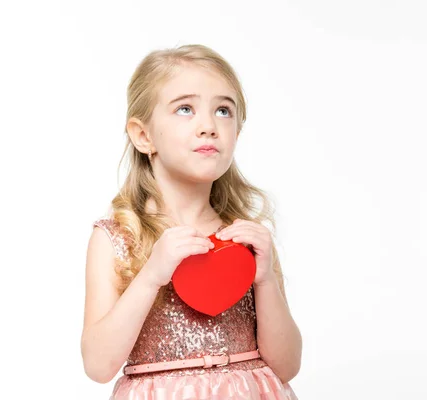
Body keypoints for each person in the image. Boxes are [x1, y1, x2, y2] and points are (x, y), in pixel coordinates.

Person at [81, 43, 302, 400]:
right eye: (185, 109)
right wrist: (152, 274)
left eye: (223, 111)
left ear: (236, 135)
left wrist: (265, 282)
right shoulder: (118, 238)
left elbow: (288, 365)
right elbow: (98, 365)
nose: (209, 126)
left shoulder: (247, 240)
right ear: (143, 135)